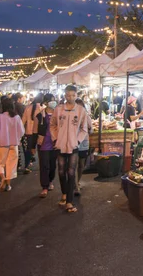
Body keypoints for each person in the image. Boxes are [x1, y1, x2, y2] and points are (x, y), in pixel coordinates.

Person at [50, 85, 89, 213]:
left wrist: (77, 140)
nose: (70, 98)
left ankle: (69, 201)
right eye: (68, 95)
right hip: (60, 145)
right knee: (61, 171)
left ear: (76, 95)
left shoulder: (81, 110)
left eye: (73, 95)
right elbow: (53, 125)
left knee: (71, 172)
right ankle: (64, 193)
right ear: (64, 95)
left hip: (74, 146)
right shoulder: (58, 109)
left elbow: (84, 128)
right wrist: (55, 138)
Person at [0, 98, 24, 192]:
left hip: (2, 144)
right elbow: (21, 131)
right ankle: (8, 185)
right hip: (14, 144)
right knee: (11, 165)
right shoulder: (17, 117)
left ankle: (2, 177)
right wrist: (18, 138)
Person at [35, 93, 57, 198]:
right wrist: (31, 145)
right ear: (46, 102)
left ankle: (50, 180)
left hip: (55, 143)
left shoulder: (58, 114)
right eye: (51, 100)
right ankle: (44, 186)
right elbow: (36, 129)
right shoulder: (40, 114)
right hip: (43, 143)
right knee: (44, 165)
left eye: (54, 100)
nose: (53, 102)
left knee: (53, 165)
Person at [21, 94, 43, 174]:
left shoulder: (28, 107)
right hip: (39, 133)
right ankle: (42, 166)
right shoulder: (42, 108)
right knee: (41, 151)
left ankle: (26, 166)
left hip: (28, 132)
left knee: (28, 150)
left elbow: (23, 121)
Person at [75, 97, 92, 196]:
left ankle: (77, 181)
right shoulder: (72, 116)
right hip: (74, 143)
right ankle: (75, 186)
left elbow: (91, 130)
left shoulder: (86, 116)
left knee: (81, 164)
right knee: (74, 164)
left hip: (84, 143)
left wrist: (89, 128)